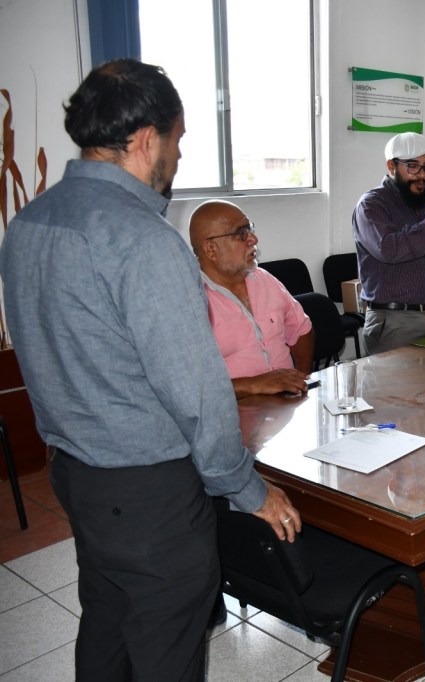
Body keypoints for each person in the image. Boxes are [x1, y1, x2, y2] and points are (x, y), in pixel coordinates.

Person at [0, 59, 301, 681]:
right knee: (167, 644)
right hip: (149, 494)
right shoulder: (145, 240)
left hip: (76, 474)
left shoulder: (28, 224)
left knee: (107, 619)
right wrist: (247, 488)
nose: (179, 156)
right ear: (145, 140)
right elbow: (196, 390)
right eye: (178, 140)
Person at [189, 200, 314, 399]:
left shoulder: (264, 279)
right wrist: (255, 385)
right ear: (211, 249)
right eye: (241, 233)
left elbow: (301, 330)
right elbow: (188, 386)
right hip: (236, 409)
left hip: (286, 404)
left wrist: (301, 380)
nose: (253, 239)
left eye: (250, 229)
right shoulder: (189, 301)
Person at [353, 132, 425, 355]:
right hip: (395, 323)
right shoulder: (371, 205)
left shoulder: (420, 205)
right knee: (396, 381)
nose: (422, 175)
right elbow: (390, 250)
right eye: (413, 166)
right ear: (391, 166)